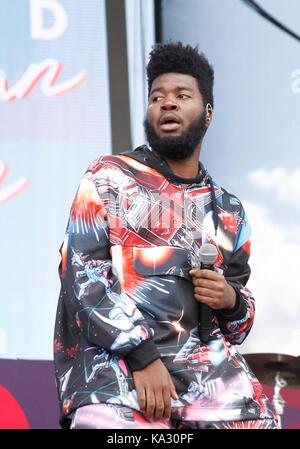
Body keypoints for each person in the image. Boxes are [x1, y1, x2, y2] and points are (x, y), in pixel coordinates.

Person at [53, 42, 278, 429]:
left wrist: (230, 300)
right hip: (117, 377)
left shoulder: (228, 211)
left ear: (207, 115)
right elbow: (82, 277)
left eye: (181, 96)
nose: (167, 104)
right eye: (157, 97)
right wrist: (141, 356)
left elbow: (238, 327)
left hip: (206, 389)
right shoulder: (109, 176)